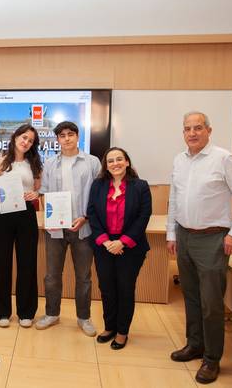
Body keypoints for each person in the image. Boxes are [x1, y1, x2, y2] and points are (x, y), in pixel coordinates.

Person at [167, 111, 232, 384]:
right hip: (184, 237)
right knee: (191, 298)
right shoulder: (179, 160)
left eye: (197, 128)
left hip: (213, 239)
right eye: (187, 129)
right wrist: (172, 233)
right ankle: (195, 345)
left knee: (211, 304)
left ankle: (212, 359)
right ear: (183, 132)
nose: (192, 133)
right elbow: (175, 197)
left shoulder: (223, 159)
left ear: (208, 130)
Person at [35, 121, 100, 336]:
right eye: (62, 135)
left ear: (77, 136)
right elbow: (43, 194)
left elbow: (99, 195)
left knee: (83, 276)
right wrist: (48, 218)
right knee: (52, 275)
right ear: (57, 140)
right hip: (56, 229)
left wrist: (86, 217)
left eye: (70, 134)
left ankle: (84, 318)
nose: (67, 138)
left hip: (83, 227)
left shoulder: (92, 162)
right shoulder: (50, 163)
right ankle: (52, 314)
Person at [87, 147, 151, 350]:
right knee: (106, 288)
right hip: (103, 245)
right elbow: (92, 214)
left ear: (127, 162)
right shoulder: (98, 185)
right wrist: (106, 241)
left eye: (119, 159)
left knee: (124, 289)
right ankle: (110, 327)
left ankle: (122, 332)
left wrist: (122, 242)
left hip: (130, 247)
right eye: (111, 161)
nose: (115, 163)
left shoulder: (140, 186)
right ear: (106, 165)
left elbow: (143, 217)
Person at [0, 124, 42, 328]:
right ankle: (2, 312)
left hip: (26, 214)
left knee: (27, 262)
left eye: (30, 140)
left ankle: (26, 312)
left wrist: (35, 194)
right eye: (23, 137)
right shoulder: (0, 161)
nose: (26, 142)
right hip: (3, 214)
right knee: (1, 262)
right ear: (15, 136)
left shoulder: (34, 163)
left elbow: (38, 190)